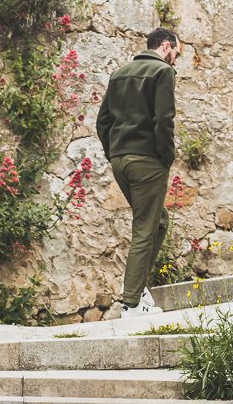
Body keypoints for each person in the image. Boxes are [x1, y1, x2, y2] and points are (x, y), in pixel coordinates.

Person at [96, 27, 181, 317]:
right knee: (145, 227)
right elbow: (164, 120)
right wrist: (166, 157)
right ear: (166, 46)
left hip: (120, 160)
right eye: (176, 54)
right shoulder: (163, 73)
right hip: (147, 160)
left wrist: (114, 152)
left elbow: (102, 121)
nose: (175, 60)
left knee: (159, 221)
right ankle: (131, 303)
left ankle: (139, 289)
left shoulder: (119, 73)